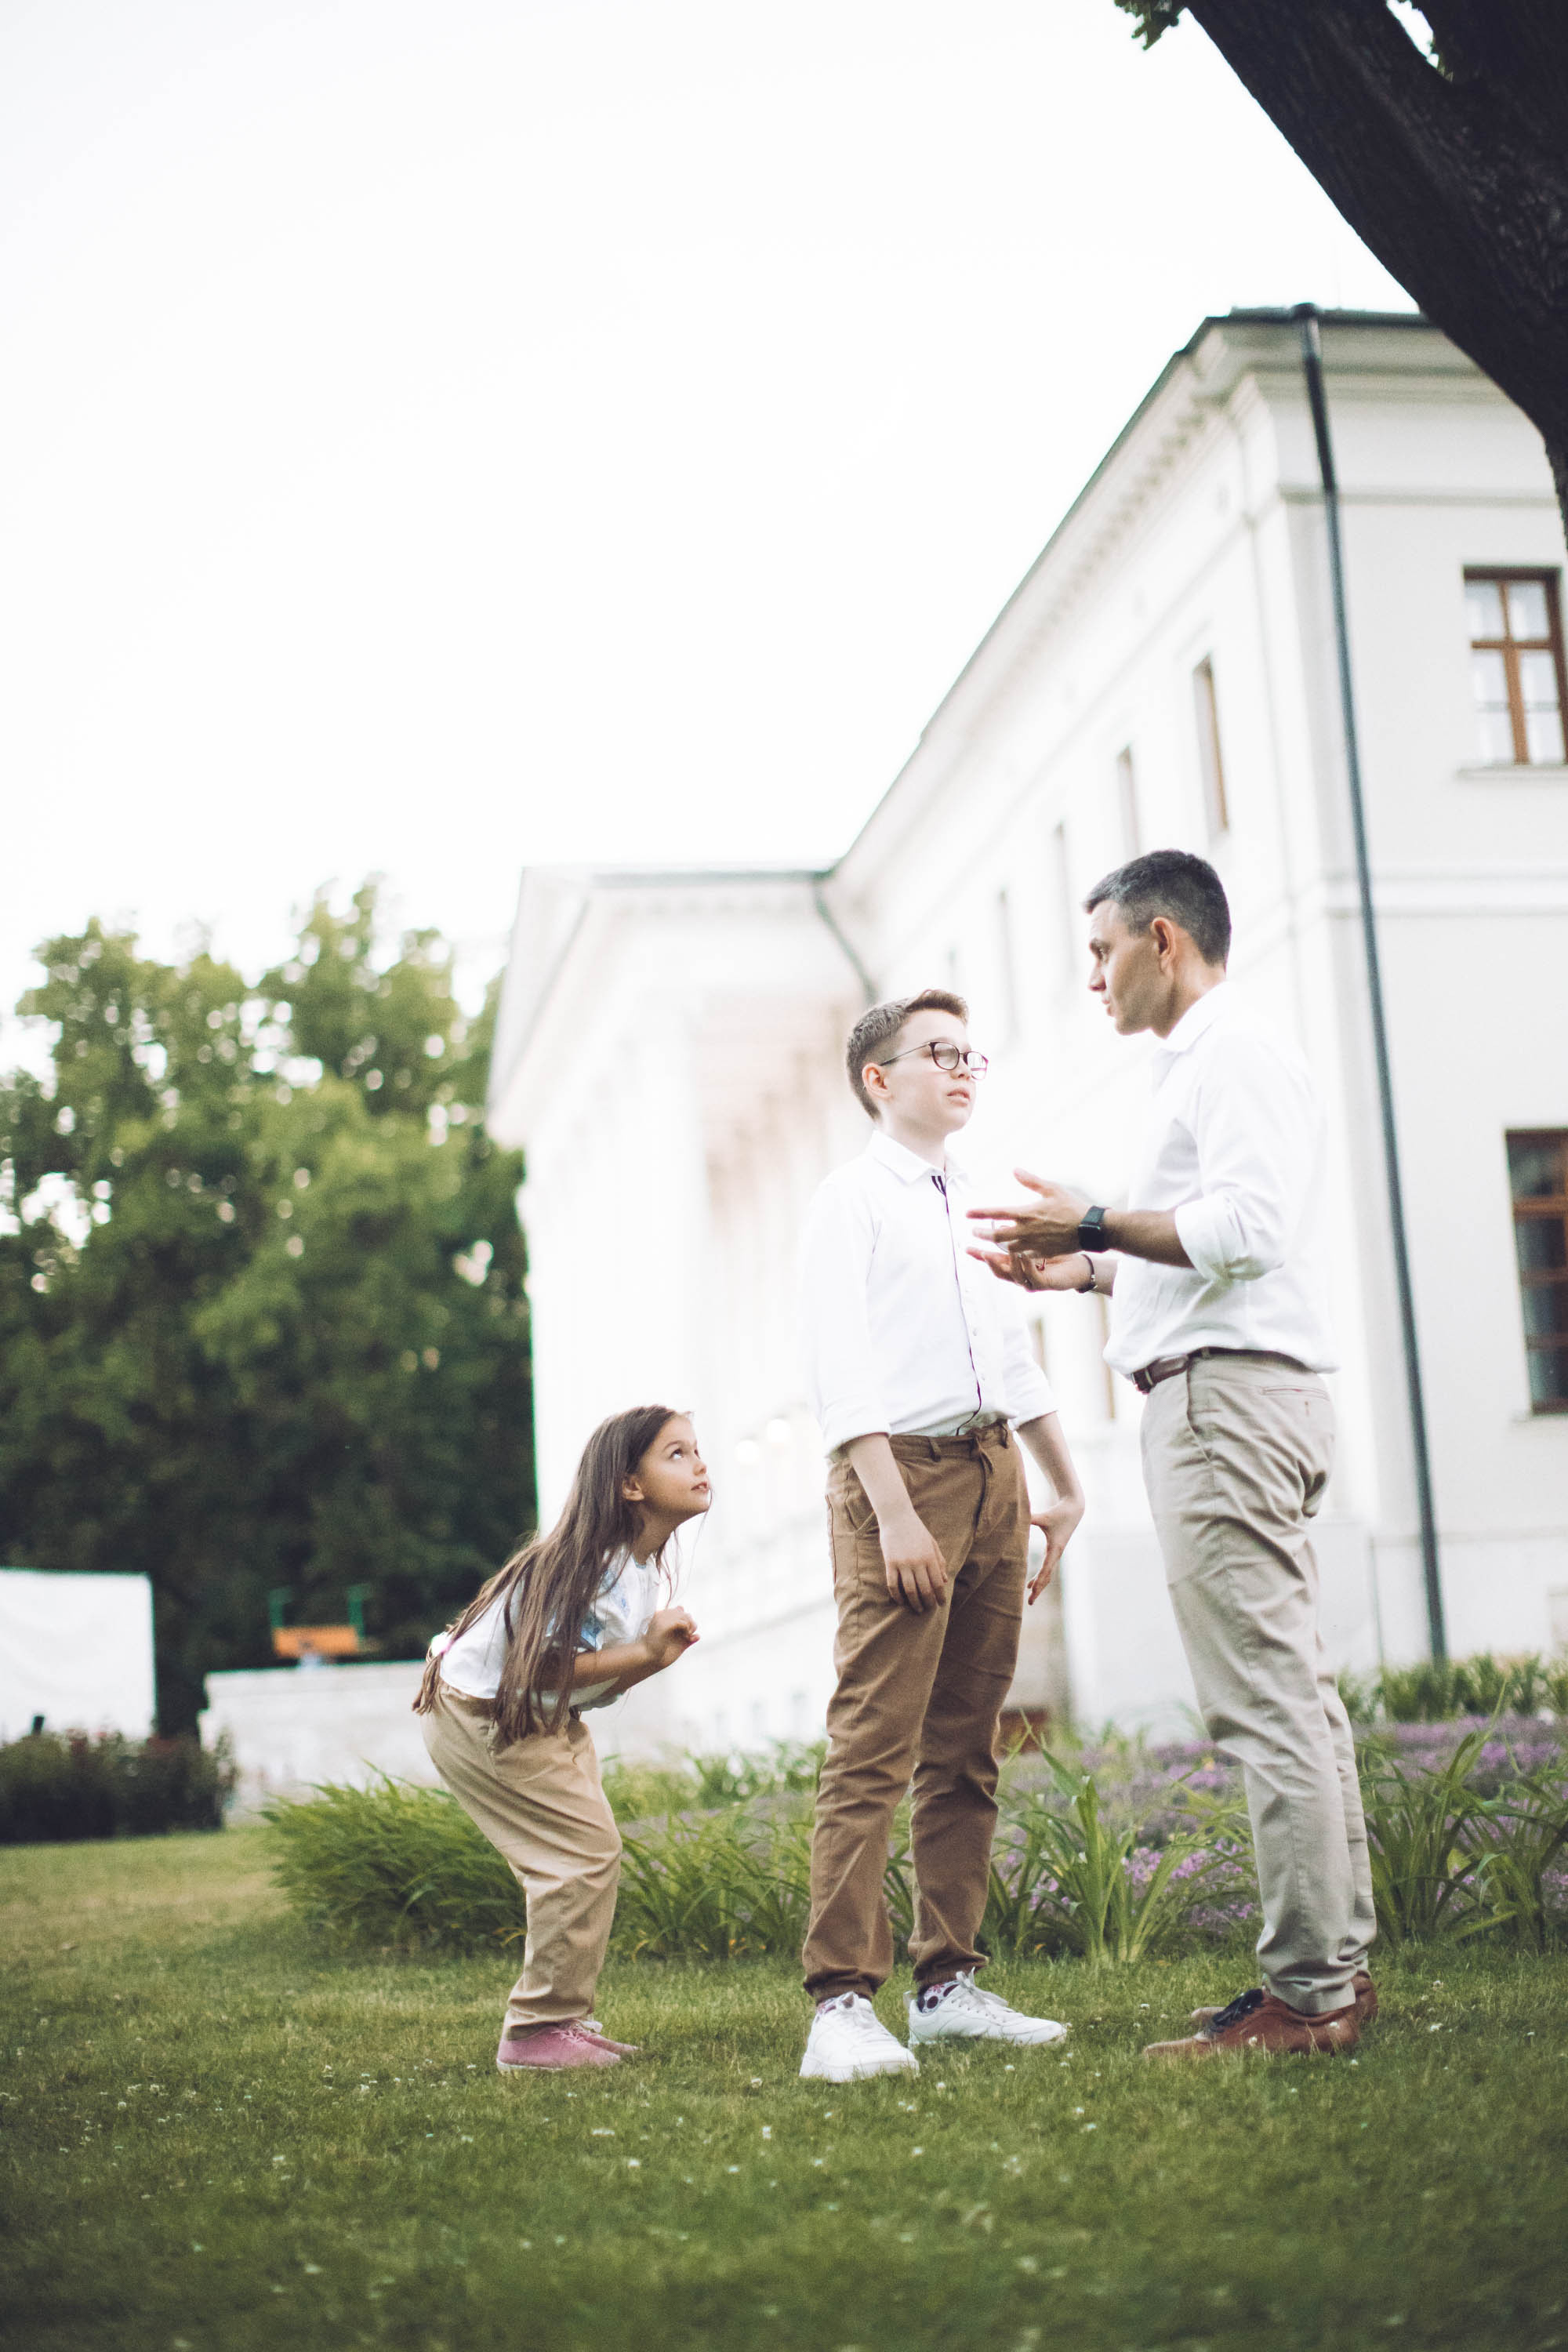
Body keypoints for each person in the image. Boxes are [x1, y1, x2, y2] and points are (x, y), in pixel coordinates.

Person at [969, 849, 1375, 2060]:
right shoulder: (1202, 1066)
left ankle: (1309, 1997)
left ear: (1161, 939)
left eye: (1099, 953)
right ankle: (1332, 1979)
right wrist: (1085, 1263)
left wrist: (1091, 1221)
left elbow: (1244, 1234)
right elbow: (1199, 1248)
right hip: (1237, 1392)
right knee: (1295, 1698)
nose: (1091, 978)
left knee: (1264, 1705)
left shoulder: (1231, 1052)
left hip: (1224, 1410)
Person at [797, 987, 1087, 2085]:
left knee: (967, 1746)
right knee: (874, 1744)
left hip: (993, 1471)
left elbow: (1011, 1356)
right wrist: (896, 1507)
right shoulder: (848, 1203)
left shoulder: (975, 1195)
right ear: (881, 1079)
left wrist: (1063, 1484)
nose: (964, 1069)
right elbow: (840, 1368)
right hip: (900, 1476)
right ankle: (838, 2007)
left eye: (972, 1053)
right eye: (939, 1053)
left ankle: (947, 1987)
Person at [413, 1405, 708, 2072]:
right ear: (630, 1485)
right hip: (486, 1713)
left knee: (584, 1853)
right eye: (677, 1454)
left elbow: (574, 1675)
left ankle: (559, 2019)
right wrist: (647, 1656)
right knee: (580, 1855)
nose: (700, 1464)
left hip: (529, 1714)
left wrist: (646, 1653)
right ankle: (536, 2031)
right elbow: (543, 1666)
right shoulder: (595, 1566)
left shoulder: (631, 1569)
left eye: (697, 1451)